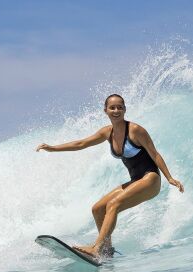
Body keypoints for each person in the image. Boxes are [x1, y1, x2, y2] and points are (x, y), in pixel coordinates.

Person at [36, 94, 184, 260]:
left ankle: (96, 248)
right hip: (136, 180)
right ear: (105, 110)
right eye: (112, 107)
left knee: (114, 204)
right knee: (98, 208)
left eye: (120, 107)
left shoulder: (135, 130)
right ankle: (106, 250)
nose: (116, 110)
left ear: (125, 109)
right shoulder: (107, 132)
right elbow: (81, 144)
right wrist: (53, 148)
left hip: (150, 179)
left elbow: (155, 154)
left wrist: (169, 178)